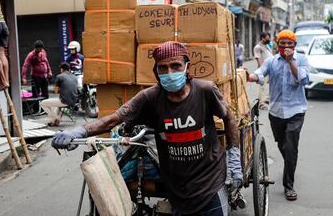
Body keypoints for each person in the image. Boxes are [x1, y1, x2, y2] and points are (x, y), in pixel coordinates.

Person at [52, 41, 243, 215]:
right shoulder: (149, 98)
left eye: (175, 66)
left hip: (210, 184)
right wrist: (79, 132)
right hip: (177, 189)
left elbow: (229, 118)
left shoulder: (205, 91)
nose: (169, 73)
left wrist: (234, 158)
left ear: (187, 67)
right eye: (163, 68)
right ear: (156, 71)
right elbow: (113, 119)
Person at [247, 30, 309, 201]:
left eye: (290, 44)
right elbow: (259, 72)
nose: (286, 47)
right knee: (282, 145)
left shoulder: (302, 59)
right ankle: (291, 161)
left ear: (294, 46)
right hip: (275, 112)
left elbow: (303, 80)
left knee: (290, 147)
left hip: (296, 111)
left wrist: (291, 63)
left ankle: (288, 185)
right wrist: (249, 76)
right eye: (283, 44)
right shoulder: (272, 61)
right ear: (277, 45)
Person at [253, 32, 273, 109]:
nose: (269, 40)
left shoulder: (266, 46)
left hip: (270, 69)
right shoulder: (258, 47)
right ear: (262, 38)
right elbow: (258, 58)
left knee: (268, 87)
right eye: (267, 38)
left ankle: (265, 101)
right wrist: (262, 70)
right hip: (264, 70)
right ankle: (261, 104)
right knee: (263, 87)